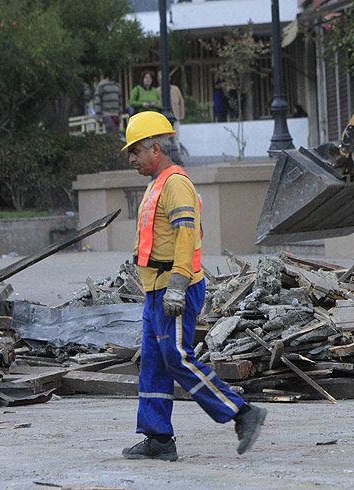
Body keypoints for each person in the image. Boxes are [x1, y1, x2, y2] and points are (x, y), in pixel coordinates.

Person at [120, 111, 266, 461]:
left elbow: (187, 235)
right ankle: (158, 438)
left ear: (155, 148)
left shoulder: (175, 184)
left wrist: (177, 285)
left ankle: (242, 412)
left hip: (174, 288)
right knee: (154, 362)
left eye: (135, 152)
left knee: (177, 357)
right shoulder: (158, 183)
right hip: (158, 289)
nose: (131, 159)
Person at [157, 70, 185, 150]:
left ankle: (177, 157)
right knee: (164, 139)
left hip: (175, 117)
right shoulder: (157, 91)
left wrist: (181, 114)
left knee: (176, 138)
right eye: (160, 75)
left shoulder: (175, 89)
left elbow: (181, 101)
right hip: (163, 120)